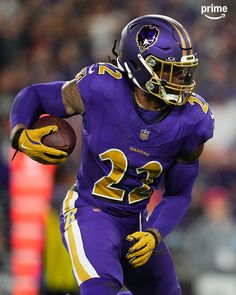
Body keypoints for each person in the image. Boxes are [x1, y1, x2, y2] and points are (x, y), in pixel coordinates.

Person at [10, 15, 214, 295]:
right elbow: (34, 95)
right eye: (172, 71)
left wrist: (154, 234)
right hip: (90, 210)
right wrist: (19, 133)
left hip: (137, 222)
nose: (183, 80)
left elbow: (179, 194)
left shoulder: (193, 120)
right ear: (142, 67)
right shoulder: (102, 87)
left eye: (184, 71)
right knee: (101, 287)